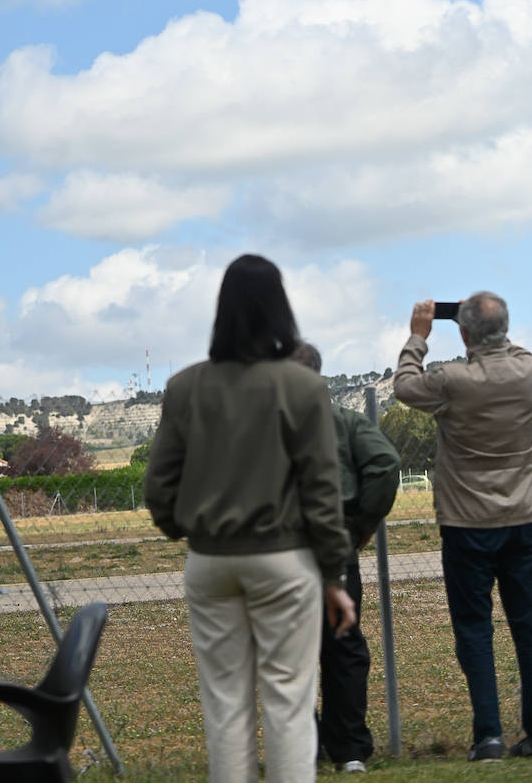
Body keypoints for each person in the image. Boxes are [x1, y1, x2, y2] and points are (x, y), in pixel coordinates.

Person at [144, 254, 355, 783]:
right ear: (281, 309)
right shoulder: (302, 388)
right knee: (288, 702)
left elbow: (159, 488)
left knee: (226, 707)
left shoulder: (185, 387)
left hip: (210, 563)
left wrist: (189, 530)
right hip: (285, 561)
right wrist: (333, 575)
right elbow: (322, 494)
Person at [394, 293, 532, 761]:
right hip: (525, 517)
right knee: (528, 627)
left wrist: (418, 336)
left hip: (466, 522)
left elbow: (405, 386)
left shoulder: (453, 380)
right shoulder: (528, 371)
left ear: (465, 333)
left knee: (474, 628)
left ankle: (488, 736)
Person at [293, 341, 400, 773]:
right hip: (338, 549)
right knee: (344, 648)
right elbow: (386, 464)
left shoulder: (267, 427)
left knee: (289, 654)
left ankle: (303, 745)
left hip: (280, 552)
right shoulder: (347, 421)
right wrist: (362, 524)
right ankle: (350, 749)